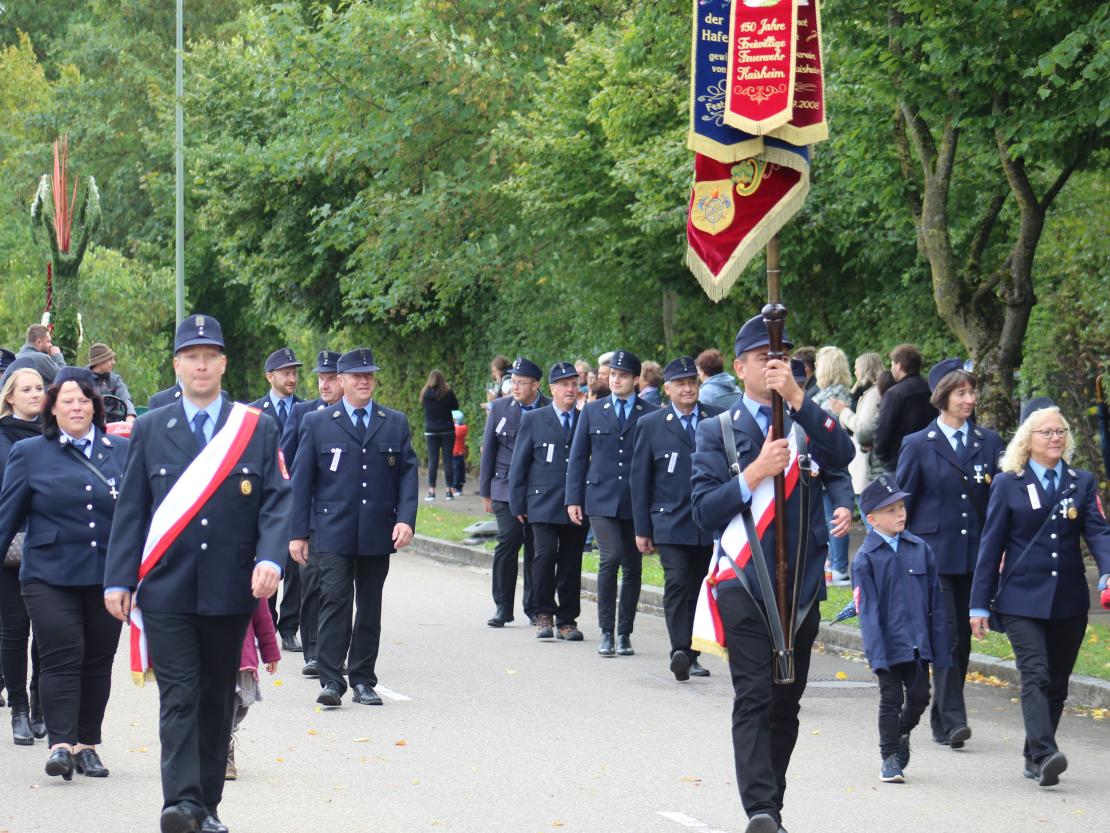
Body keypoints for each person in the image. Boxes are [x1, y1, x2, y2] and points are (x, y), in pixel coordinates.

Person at [104, 314, 291, 833]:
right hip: (167, 589)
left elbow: (277, 502)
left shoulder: (255, 427)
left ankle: (206, 807)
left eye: (210, 355)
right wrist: (118, 578)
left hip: (231, 589)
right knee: (180, 695)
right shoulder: (150, 428)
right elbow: (133, 509)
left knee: (215, 699)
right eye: (192, 356)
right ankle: (180, 804)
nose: (201, 364)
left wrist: (271, 558)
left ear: (224, 363)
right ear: (177, 365)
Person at [690, 314, 854, 833]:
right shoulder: (717, 430)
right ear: (740, 368)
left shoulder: (807, 424)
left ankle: (772, 805)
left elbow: (843, 456)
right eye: (764, 358)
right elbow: (703, 511)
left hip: (800, 585)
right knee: (755, 696)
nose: (774, 366)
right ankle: (760, 810)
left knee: (786, 703)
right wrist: (756, 472)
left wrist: (802, 405)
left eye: (782, 360)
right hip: (743, 583)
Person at [970, 401, 1110, 788]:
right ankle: (1048, 752)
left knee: (1058, 682)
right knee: (1035, 673)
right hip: (1021, 599)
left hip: (1067, 598)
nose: (1055, 438)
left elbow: (1098, 531)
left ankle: (1034, 755)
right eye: (1046, 432)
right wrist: (979, 603)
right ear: (1027, 440)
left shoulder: (1080, 482)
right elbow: (990, 545)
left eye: (1060, 431)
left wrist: (1108, 571)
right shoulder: (1007, 483)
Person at [0, 366, 128, 782]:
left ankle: (87, 744)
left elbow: (137, 518)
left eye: (83, 400)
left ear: (95, 406)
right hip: (48, 575)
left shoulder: (120, 452)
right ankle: (60, 744)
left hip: (106, 575)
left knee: (98, 659)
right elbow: (7, 519)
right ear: (52, 409)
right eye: (66, 400)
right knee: (61, 653)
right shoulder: (30, 453)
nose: (76, 407)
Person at [289, 348, 418, 710]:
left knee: (370, 606)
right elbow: (302, 482)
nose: (364, 381)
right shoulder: (318, 422)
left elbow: (407, 474)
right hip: (332, 530)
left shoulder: (393, 422)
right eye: (356, 376)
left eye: (369, 375)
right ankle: (331, 679)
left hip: (377, 529)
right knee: (335, 601)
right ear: (341, 381)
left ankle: (363, 678)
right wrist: (298, 532)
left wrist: (406, 518)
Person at [897, 360, 1004, 752]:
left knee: (964, 639)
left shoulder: (988, 442)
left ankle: (943, 718)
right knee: (947, 636)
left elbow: (998, 502)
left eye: (972, 392)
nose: (969, 400)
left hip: (976, 556)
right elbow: (902, 504)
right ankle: (955, 719)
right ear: (942, 397)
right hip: (933, 556)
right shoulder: (917, 444)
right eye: (961, 393)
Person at [852, 475, 950, 784]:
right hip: (887, 645)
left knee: (920, 695)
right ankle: (890, 758)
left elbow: (935, 600)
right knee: (890, 698)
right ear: (872, 519)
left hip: (917, 643)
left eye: (902, 506)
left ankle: (902, 732)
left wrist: (940, 646)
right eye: (891, 510)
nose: (901, 514)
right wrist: (876, 654)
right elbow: (867, 611)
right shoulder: (865, 558)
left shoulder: (920, 549)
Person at [630, 356, 722, 680]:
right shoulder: (651, 424)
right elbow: (640, 480)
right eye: (681, 383)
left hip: (706, 520)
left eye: (692, 382)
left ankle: (693, 653)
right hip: (669, 521)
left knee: (700, 586)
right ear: (667, 388)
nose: (688, 388)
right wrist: (642, 528)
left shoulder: (716, 419)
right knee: (677, 582)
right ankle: (679, 650)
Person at [567, 349, 657, 657]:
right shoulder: (594, 410)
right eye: (613, 375)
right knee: (610, 558)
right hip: (600, 497)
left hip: (636, 500)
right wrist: (573, 498)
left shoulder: (650, 411)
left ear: (635, 380)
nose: (616, 380)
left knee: (633, 567)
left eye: (622, 376)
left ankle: (624, 633)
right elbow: (578, 457)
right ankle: (606, 630)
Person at [508, 362, 588, 641]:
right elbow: (520, 463)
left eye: (574, 384)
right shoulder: (535, 419)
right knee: (542, 557)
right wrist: (516, 502)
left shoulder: (584, 418)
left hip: (575, 503)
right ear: (552, 388)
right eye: (564, 384)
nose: (570, 389)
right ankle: (543, 613)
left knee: (570, 561)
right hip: (541, 502)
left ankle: (567, 618)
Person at [280, 350, 343, 678]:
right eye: (320, 378)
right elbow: (287, 464)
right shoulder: (305, 413)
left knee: (338, 587)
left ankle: (332, 650)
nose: (324, 384)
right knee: (312, 581)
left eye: (331, 378)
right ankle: (314, 650)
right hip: (313, 513)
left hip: (343, 516)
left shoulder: (353, 415)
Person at [480, 358, 550, 627]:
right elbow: (489, 450)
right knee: (508, 541)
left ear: (536, 385)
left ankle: (534, 607)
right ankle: (502, 606)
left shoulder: (547, 408)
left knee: (536, 547)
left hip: (538, 490)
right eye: (513, 381)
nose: (515, 387)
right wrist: (486, 492)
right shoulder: (500, 407)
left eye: (521, 382)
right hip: (504, 487)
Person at [0, 367, 46, 745]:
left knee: (48, 631)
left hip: (49, 544)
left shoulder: (56, 434)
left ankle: (40, 702)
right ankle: (18, 708)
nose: (35, 393)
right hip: (9, 547)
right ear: (9, 397)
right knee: (14, 630)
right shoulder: (0, 436)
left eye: (40, 388)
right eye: (26, 389)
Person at [251, 348, 305, 651]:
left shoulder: (308, 409)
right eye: (285, 372)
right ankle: (266, 624)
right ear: (270, 376)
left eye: (295, 372)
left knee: (295, 569)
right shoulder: (253, 412)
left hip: (297, 499)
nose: (292, 377)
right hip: (265, 500)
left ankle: (289, 628)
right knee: (269, 559)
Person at [827, 352, 885, 529]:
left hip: (866, 469)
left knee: (873, 527)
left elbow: (862, 428)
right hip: (866, 466)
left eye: (857, 368)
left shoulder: (873, 394)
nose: (855, 371)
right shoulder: (872, 393)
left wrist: (843, 411)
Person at [225, 598, 280, 781]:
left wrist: (270, 650)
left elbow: (262, 615)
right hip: (203, 654)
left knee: (239, 706)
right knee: (218, 706)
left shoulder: (247, 572)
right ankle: (221, 748)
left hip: (241, 653)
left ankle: (224, 739)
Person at [812, 346, 854, 585]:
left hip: (829, 462)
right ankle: (835, 563)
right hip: (835, 461)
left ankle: (838, 566)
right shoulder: (844, 392)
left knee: (834, 515)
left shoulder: (830, 399)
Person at [874, 343, 935, 473]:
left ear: (899, 365)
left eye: (892, 364)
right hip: (930, 457)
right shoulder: (932, 388)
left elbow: (883, 429)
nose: (891, 369)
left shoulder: (894, 394)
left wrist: (883, 457)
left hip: (900, 461)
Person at [420, 370, 460, 501]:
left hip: (431, 431)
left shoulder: (425, 393)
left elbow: (423, 407)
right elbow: (456, 406)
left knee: (433, 460)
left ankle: (431, 492)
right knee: (448, 460)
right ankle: (449, 491)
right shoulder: (447, 392)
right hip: (447, 430)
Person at [88, 342, 137, 423]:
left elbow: (125, 398)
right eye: (109, 359)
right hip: (90, 423)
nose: (113, 362)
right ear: (100, 361)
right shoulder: (83, 379)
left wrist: (130, 415)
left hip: (113, 424)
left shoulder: (115, 380)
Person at [450, 410, 468, 496]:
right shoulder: (464, 428)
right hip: (461, 452)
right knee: (461, 470)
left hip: (455, 452)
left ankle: (455, 487)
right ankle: (459, 487)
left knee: (456, 471)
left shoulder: (455, 429)